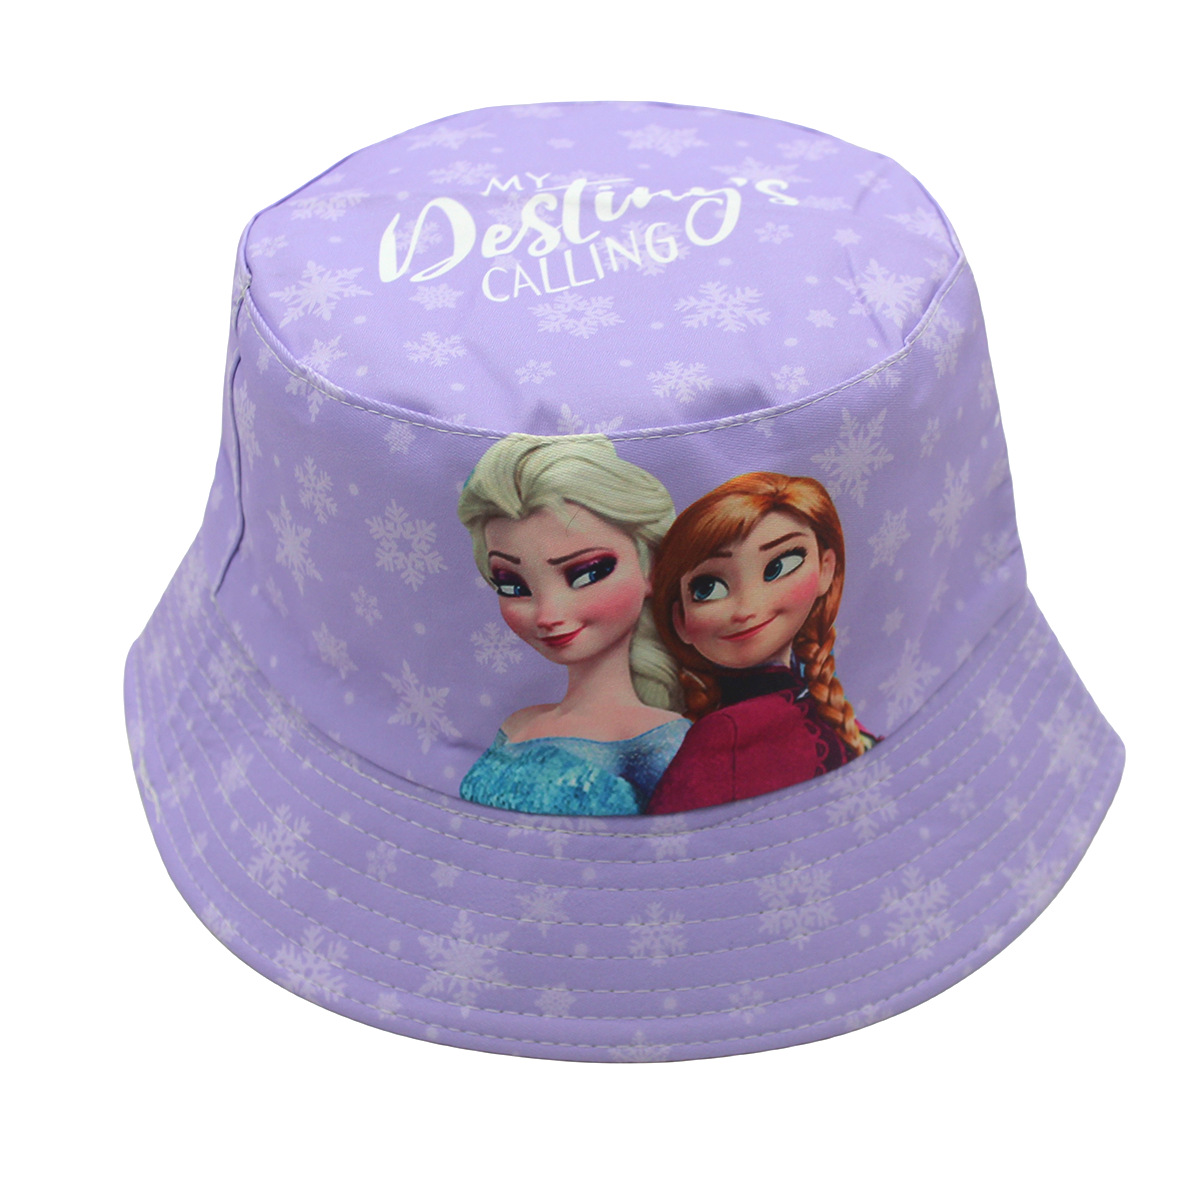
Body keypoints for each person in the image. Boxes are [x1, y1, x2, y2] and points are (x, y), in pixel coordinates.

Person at [456, 434, 689, 816]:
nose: (547, 615)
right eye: (513, 586)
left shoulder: (661, 743)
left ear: (652, 567)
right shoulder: (516, 724)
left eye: (587, 573)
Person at [646, 472, 876, 814]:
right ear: (680, 620)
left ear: (826, 568)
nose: (747, 609)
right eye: (708, 588)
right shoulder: (726, 732)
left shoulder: (818, 700)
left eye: (780, 566)